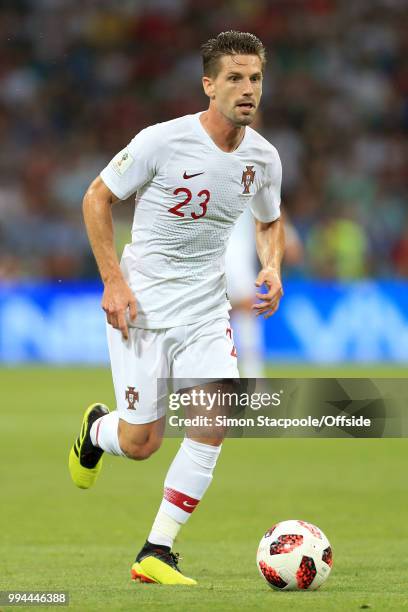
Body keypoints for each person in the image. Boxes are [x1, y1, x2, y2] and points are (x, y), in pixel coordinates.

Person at [68, 30, 284, 585]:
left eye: (254, 78)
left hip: (206, 310)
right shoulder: (161, 142)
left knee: (214, 421)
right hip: (141, 306)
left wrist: (271, 265)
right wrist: (113, 281)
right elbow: (97, 197)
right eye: (234, 78)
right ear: (209, 85)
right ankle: (97, 432)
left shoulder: (263, 157)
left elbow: (268, 218)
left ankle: (156, 551)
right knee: (142, 442)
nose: (247, 89)